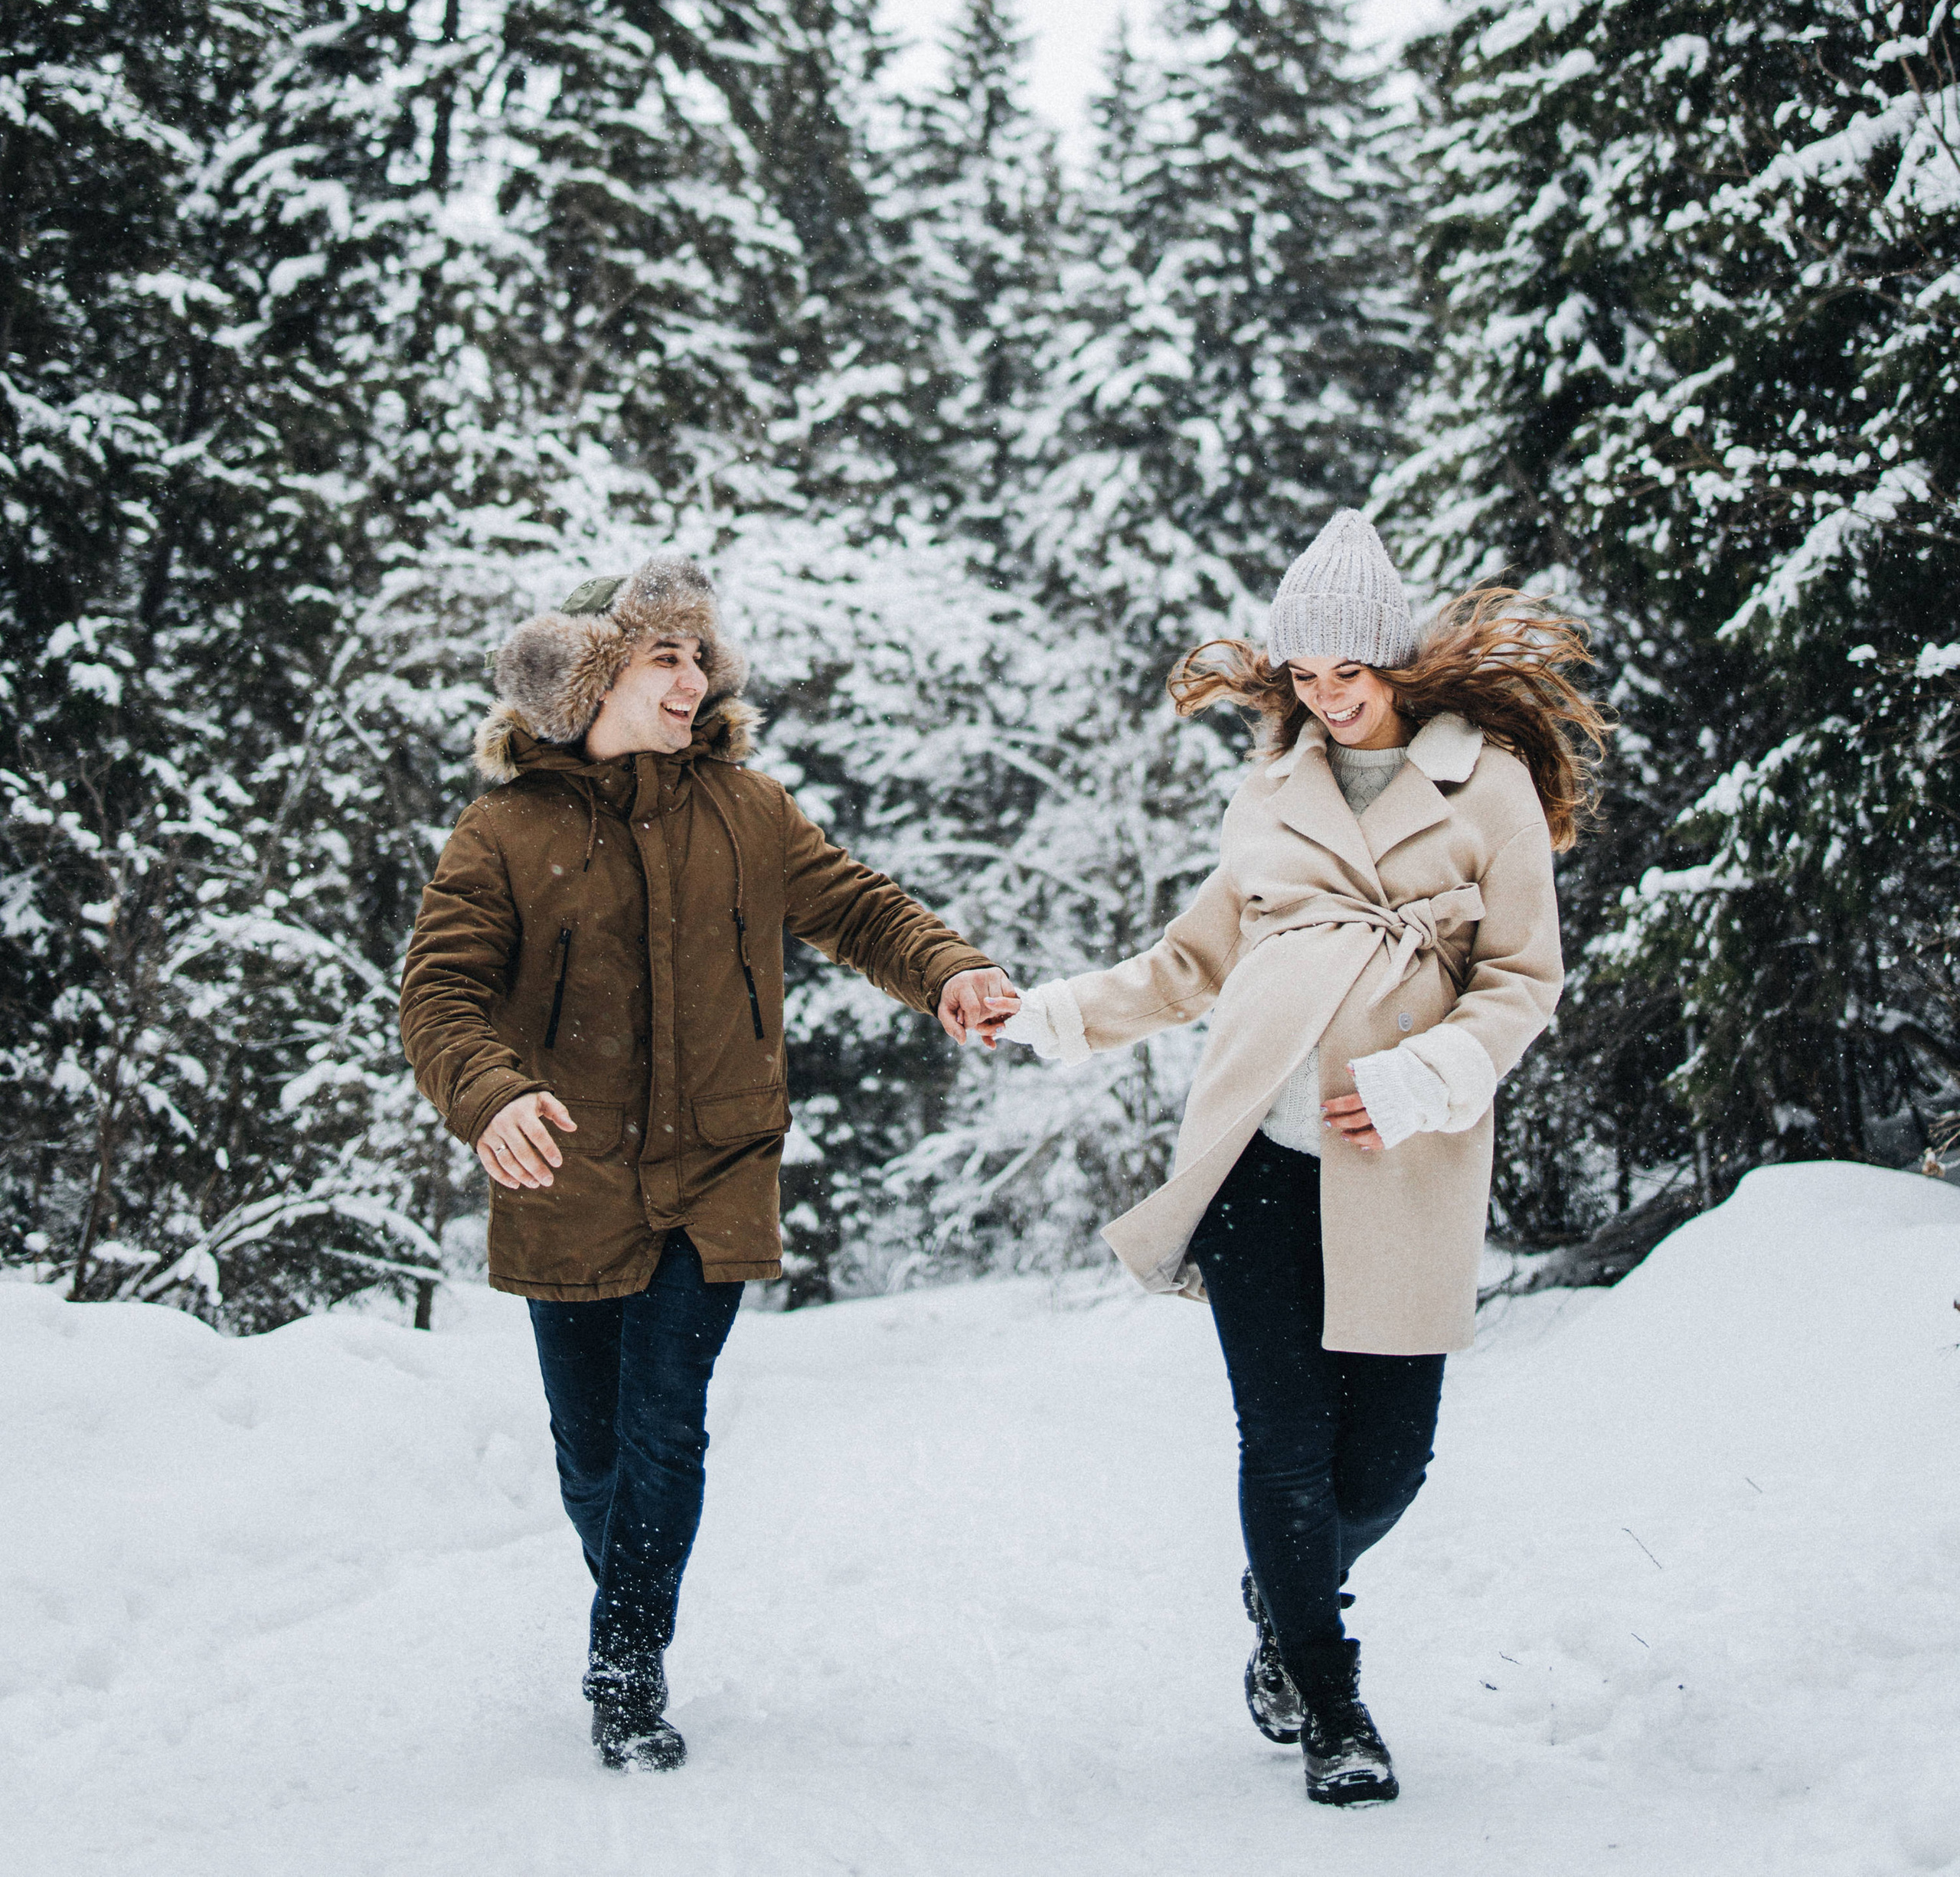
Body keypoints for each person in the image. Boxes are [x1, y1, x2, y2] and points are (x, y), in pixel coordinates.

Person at [1006, 511, 1606, 1809]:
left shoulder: (1485, 783)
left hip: (1402, 1160)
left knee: (1387, 1463)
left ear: (1397, 665)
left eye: (1351, 673)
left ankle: (1283, 1589)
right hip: (1256, 1161)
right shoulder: (1271, 791)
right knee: (1279, 1448)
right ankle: (1333, 1702)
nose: (1328, 700)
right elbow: (1190, 964)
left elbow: (1523, 977)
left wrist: (1420, 1076)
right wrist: (1058, 1012)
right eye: (1305, 677)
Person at [400, 554, 1017, 1773]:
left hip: (716, 1166)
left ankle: (626, 1664)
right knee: (594, 1457)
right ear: (594, 680)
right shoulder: (506, 832)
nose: (694, 679)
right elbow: (440, 993)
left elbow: (859, 907)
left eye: (701, 657)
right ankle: (627, 1584)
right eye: (664, 657)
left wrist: (947, 968)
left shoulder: (749, 810)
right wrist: (490, 1095)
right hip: (565, 1177)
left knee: (666, 1425)